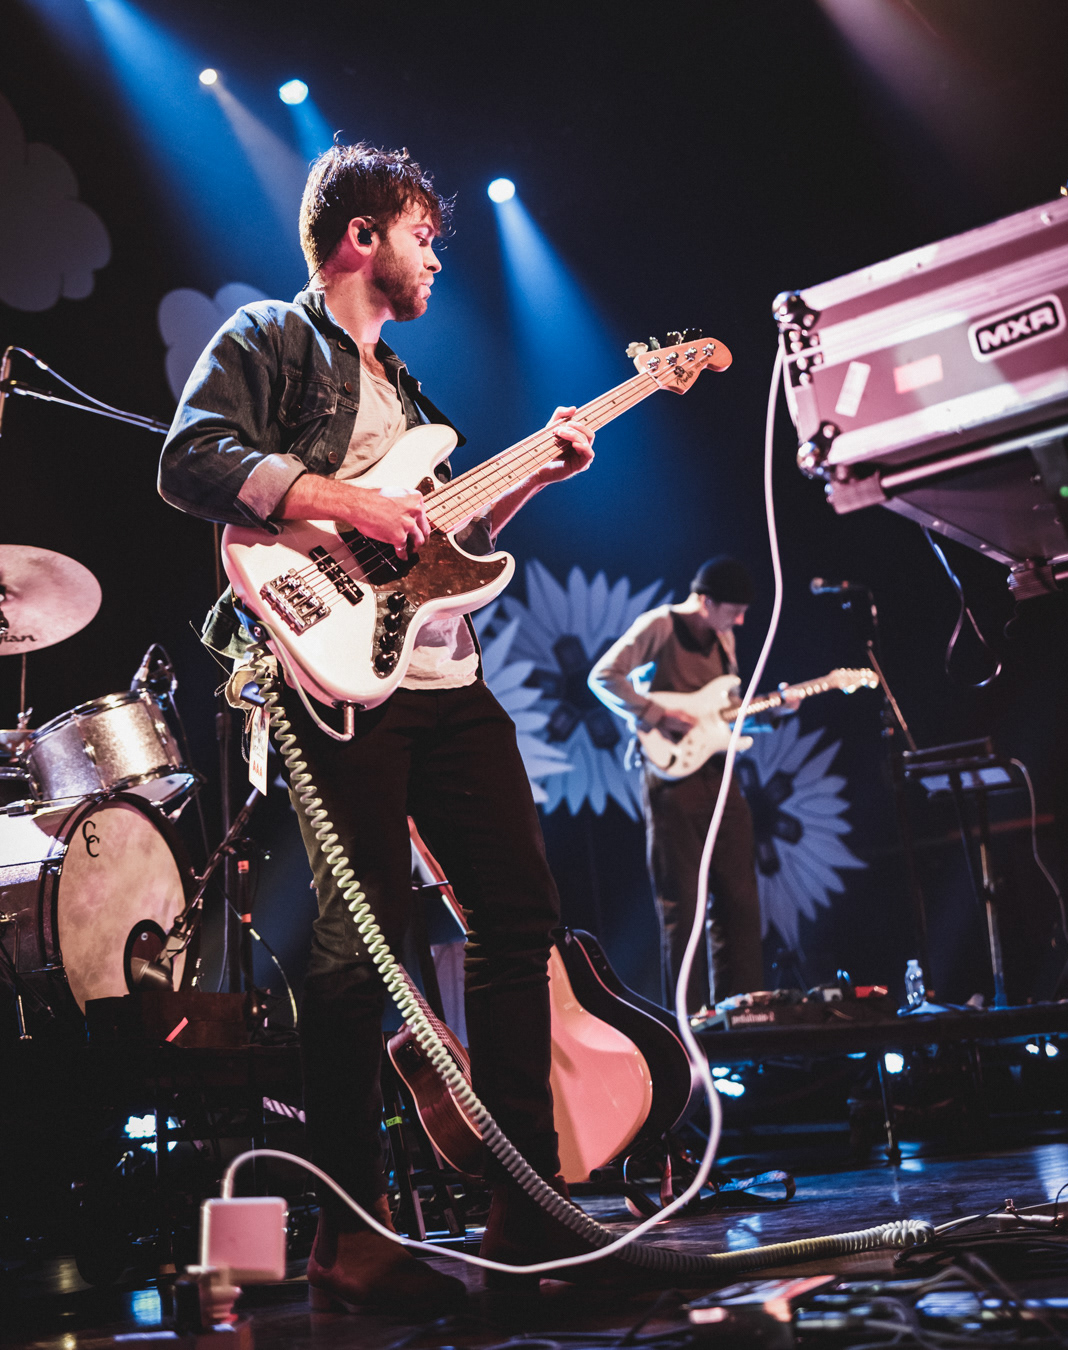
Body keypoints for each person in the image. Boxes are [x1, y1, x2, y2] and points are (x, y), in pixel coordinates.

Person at [158, 143, 598, 1312]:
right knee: (358, 957)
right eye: (422, 237)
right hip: (337, 683)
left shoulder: (407, 390)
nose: (436, 259)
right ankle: (348, 1238)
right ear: (362, 238)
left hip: (446, 679)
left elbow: (443, 541)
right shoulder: (269, 336)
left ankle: (529, 1206)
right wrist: (344, 498)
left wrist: (534, 478)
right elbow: (191, 459)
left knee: (519, 918)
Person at [588, 557, 765, 1013]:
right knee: (683, 905)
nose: (740, 621)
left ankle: (744, 1010)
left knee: (740, 898)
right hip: (671, 779)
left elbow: (724, 711)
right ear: (706, 601)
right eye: (734, 610)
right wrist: (658, 713)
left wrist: (772, 711)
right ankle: (689, 1021)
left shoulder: (723, 638)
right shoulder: (660, 626)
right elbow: (603, 676)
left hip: (719, 775)